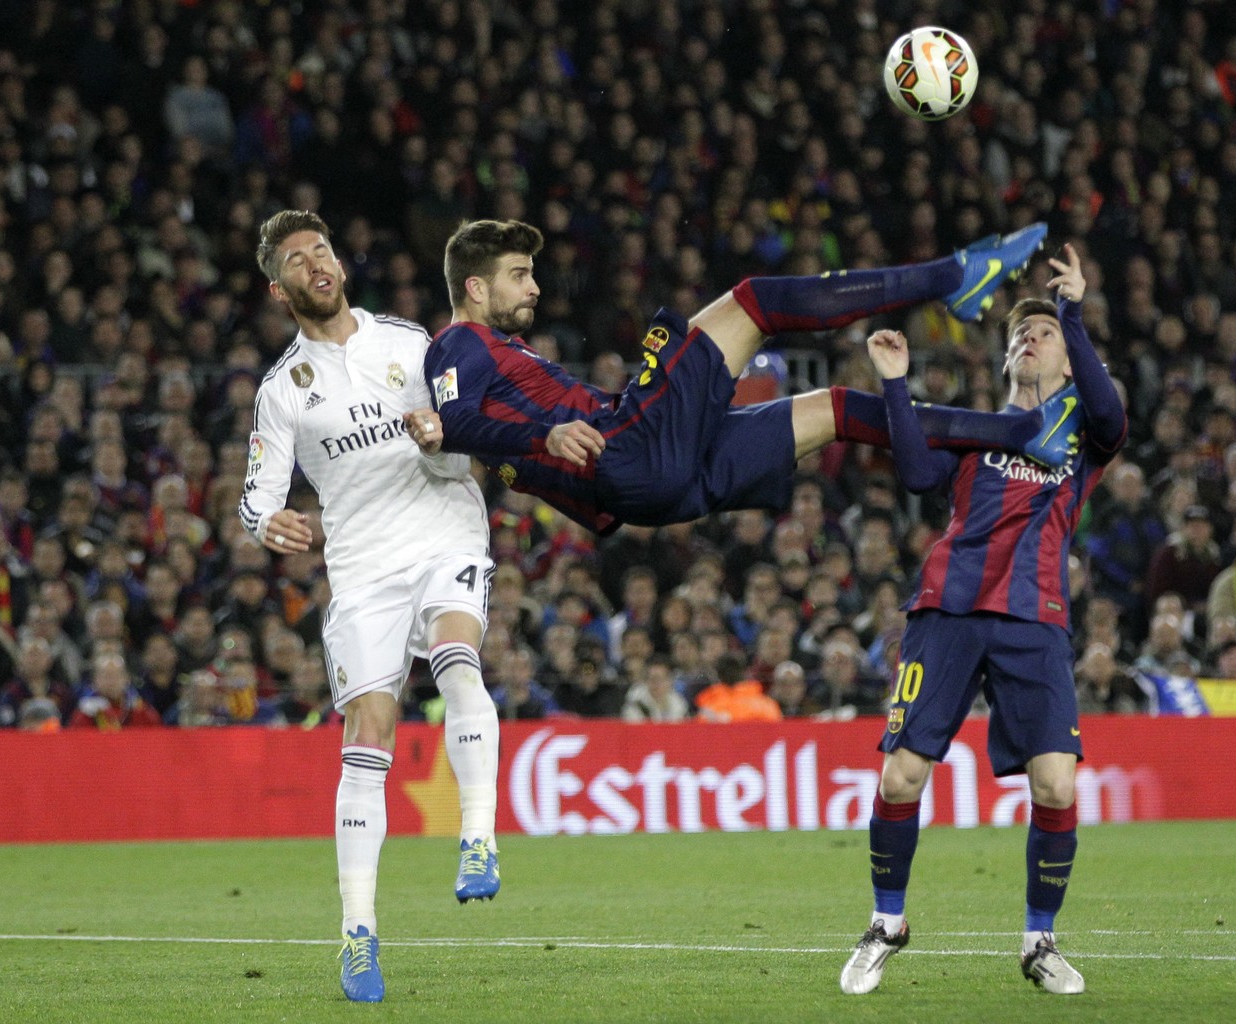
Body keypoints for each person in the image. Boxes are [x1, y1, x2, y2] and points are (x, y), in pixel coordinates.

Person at [840, 244, 1126, 997]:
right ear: (1003, 362)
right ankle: (887, 921)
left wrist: (1071, 312)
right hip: (949, 608)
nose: (1027, 339)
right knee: (900, 776)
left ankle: (1039, 941)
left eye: (1043, 335)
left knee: (1058, 788)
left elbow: (1113, 413)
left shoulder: (1081, 427)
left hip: (1035, 617)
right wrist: (896, 387)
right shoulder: (975, 428)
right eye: (1017, 335)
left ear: (1068, 360)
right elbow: (917, 475)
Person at [236, 210, 500, 1004]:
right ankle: (357, 935)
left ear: (338, 265)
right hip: (362, 570)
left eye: (321, 249)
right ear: (279, 290)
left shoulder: (408, 342)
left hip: (444, 527)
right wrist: (265, 521)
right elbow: (258, 493)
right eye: (296, 258)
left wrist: (439, 434)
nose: (315, 262)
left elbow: (462, 437)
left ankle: (479, 838)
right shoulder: (283, 391)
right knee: (369, 733)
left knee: (457, 657)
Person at [416, 219, 1078, 535]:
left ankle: (1022, 432)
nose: (534, 286)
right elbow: (456, 425)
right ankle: (955, 275)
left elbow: (492, 441)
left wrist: (596, 504)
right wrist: (549, 437)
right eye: (517, 275)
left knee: (837, 407)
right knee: (754, 302)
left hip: (649, 486)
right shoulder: (459, 343)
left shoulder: (498, 350)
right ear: (474, 287)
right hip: (630, 448)